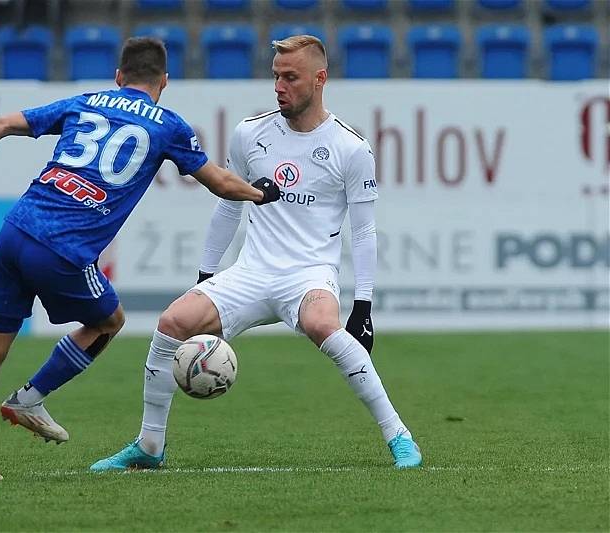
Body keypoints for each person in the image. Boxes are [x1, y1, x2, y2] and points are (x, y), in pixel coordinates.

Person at [0, 37, 280, 481]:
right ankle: (30, 397)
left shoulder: (86, 102)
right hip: (63, 248)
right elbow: (219, 182)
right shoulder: (168, 125)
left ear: (119, 77)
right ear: (164, 81)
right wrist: (261, 192)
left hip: (16, 229)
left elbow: (1, 123)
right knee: (109, 321)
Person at [91, 35, 422, 472]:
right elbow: (228, 206)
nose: (279, 86)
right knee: (172, 323)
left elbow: (363, 231)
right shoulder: (251, 133)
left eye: (290, 77)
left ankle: (399, 435)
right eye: (276, 77)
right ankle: (149, 447)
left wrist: (363, 304)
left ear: (320, 79)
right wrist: (207, 275)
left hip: (309, 274)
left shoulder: (350, 148)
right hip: (251, 272)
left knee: (324, 324)